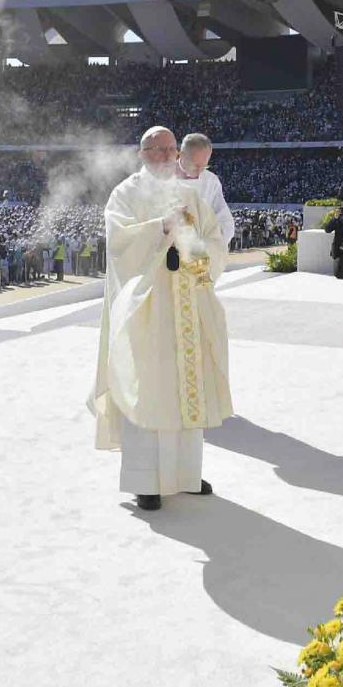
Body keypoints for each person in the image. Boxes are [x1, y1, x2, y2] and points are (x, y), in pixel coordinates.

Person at [90, 126, 233, 511]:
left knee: (185, 388)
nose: (166, 157)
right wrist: (161, 229)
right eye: (157, 150)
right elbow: (119, 244)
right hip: (146, 311)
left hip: (185, 306)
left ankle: (185, 474)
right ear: (142, 153)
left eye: (171, 150)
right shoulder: (125, 194)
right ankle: (145, 482)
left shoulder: (190, 194)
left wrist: (196, 251)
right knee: (148, 389)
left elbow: (214, 241)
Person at [175, 132, 237, 249]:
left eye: (204, 166)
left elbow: (225, 220)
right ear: (181, 155)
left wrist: (212, 246)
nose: (199, 172)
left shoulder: (211, 181)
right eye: (195, 166)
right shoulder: (162, 176)